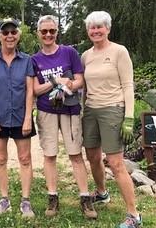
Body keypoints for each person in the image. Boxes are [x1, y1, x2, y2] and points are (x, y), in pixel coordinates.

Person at [32, 15, 97, 219]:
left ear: (57, 32)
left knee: (75, 155)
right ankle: (53, 197)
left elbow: (80, 80)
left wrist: (68, 84)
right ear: (38, 34)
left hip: (70, 110)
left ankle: (85, 198)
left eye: (52, 31)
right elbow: (35, 89)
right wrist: (55, 82)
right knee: (50, 155)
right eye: (44, 31)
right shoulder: (35, 59)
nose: (48, 34)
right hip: (46, 111)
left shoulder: (69, 52)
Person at [81, 11, 142, 228]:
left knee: (116, 163)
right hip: (90, 111)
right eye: (92, 28)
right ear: (88, 31)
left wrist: (128, 117)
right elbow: (84, 88)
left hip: (113, 110)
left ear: (107, 28)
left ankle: (134, 215)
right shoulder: (86, 55)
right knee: (92, 156)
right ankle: (102, 192)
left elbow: (128, 85)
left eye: (100, 27)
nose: (96, 31)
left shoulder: (119, 51)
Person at [0, 18, 36, 218]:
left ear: (18, 35)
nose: (9, 36)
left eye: (13, 32)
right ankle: (4, 200)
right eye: (5, 32)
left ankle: (26, 201)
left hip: (21, 116)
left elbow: (30, 91)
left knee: (25, 159)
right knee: (0, 159)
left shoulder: (27, 60)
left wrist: (28, 117)